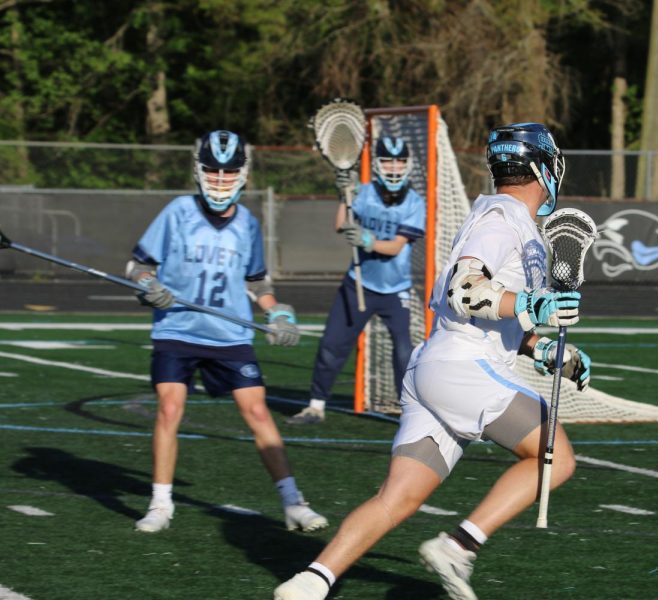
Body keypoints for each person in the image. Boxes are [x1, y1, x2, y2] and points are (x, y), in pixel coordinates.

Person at [274, 122, 591, 600]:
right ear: (544, 167)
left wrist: (542, 347)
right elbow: (464, 290)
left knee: (396, 499)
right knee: (555, 457)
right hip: (463, 367)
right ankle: (459, 546)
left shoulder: (510, 220)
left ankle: (310, 582)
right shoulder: (502, 218)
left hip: (438, 368)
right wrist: (533, 307)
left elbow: (499, 319)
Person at [129, 130, 328, 534]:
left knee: (257, 411)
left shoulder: (248, 224)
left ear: (243, 174)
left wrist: (279, 314)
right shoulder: (177, 212)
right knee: (170, 408)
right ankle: (161, 504)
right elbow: (137, 266)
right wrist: (149, 287)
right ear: (199, 172)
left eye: (229, 173)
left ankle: (293, 502)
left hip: (229, 336)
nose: (220, 181)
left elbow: (257, 282)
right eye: (213, 173)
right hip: (178, 329)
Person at [286, 135, 426, 424]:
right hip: (358, 283)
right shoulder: (364, 193)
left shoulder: (414, 202)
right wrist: (344, 196)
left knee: (403, 350)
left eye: (400, 161)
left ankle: (410, 412)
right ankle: (316, 405)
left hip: (394, 289)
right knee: (332, 344)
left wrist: (366, 240)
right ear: (377, 164)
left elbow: (396, 247)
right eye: (388, 160)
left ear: (408, 165)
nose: (394, 167)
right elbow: (341, 224)